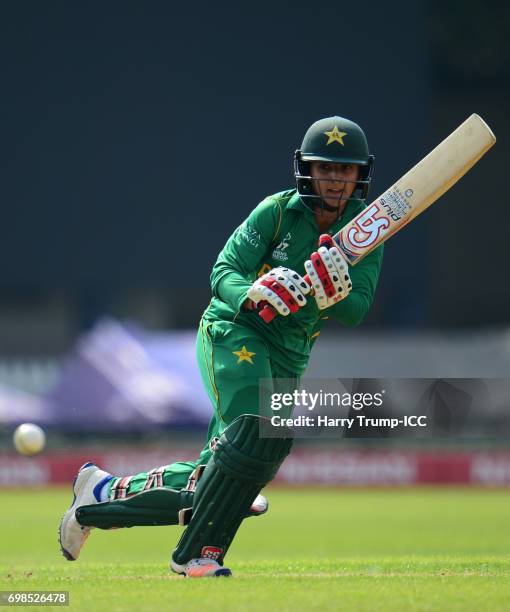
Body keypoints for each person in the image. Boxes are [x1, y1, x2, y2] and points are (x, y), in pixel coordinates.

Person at [59, 116, 383, 578]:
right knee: (251, 442)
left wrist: (338, 293)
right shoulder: (276, 211)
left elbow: (356, 311)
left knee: (217, 475)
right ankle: (195, 556)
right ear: (306, 170)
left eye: (345, 170)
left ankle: (101, 495)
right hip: (236, 332)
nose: (335, 180)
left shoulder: (366, 234)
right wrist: (254, 292)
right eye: (325, 169)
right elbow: (223, 271)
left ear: (360, 174)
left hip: (290, 354)